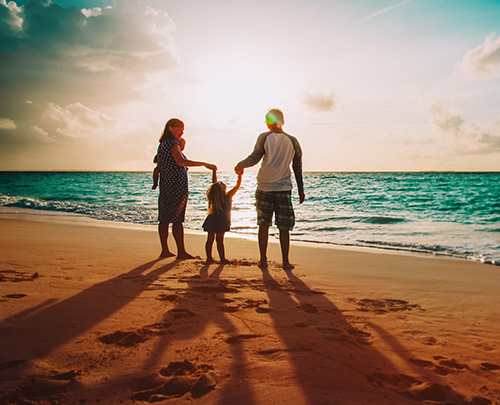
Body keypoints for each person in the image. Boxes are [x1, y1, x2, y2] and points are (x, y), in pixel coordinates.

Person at [234, 109, 305, 270]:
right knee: (284, 227)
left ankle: (263, 260)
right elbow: (297, 168)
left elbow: (254, 158)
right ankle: (285, 261)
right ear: (283, 121)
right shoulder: (293, 141)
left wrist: (240, 165)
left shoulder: (264, 137)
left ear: (269, 122)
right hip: (283, 188)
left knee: (263, 224)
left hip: (264, 186)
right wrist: (301, 189)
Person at [156, 118, 217, 259]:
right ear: (170, 128)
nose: (182, 131)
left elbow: (162, 164)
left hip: (166, 185)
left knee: (164, 219)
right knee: (177, 220)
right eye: (179, 128)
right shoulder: (173, 143)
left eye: (183, 129)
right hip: (175, 186)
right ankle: (181, 252)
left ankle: (165, 250)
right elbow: (181, 161)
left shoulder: (162, 144)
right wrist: (204, 164)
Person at [202, 168, 243, 264]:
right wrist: (240, 176)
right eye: (221, 183)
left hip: (212, 219)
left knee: (210, 239)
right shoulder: (228, 196)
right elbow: (237, 186)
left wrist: (214, 172)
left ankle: (209, 258)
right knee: (219, 240)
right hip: (222, 221)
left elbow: (214, 184)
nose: (222, 182)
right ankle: (222, 259)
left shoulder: (213, 196)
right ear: (221, 189)